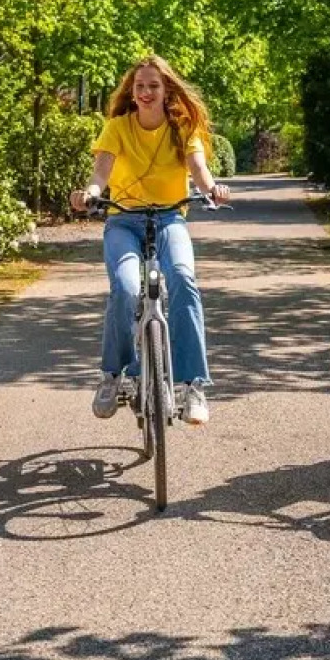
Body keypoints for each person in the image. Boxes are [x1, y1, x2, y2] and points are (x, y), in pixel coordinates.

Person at [70, 55, 231, 426]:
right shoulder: (117, 127)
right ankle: (113, 375)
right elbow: (101, 172)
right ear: (132, 91)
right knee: (126, 288)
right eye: (140, 86)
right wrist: (90, 193)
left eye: (153, 86)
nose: (146, 92)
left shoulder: (183, 128)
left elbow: (199, 169)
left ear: (166, 90)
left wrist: (212, 189)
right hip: (123, 221)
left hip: (169, 218)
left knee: (184, 278)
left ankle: (192, 386)